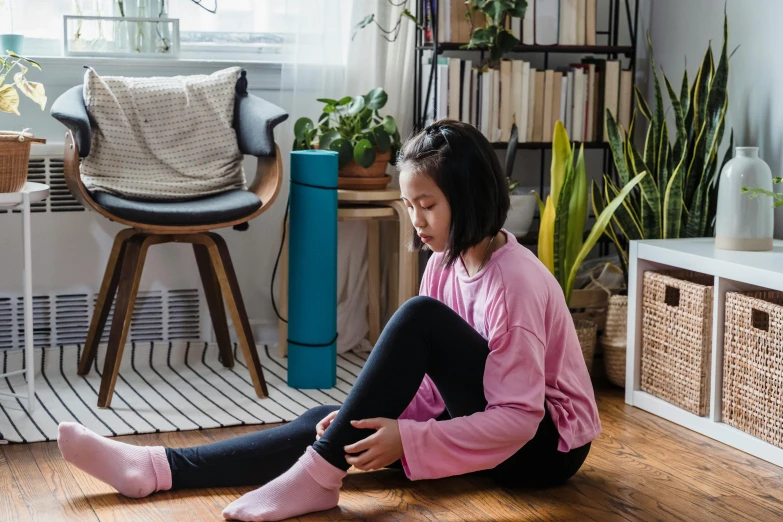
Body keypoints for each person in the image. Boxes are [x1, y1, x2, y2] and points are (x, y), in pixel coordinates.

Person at [57, 119, 601, 521]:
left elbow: (518, 420)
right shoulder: (444, 263)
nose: (417, 222)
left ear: (469, 197)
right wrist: (369, 420)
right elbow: (435, 384)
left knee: (417, 320)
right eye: (410, 206)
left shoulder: (518, 285)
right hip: (493, 423)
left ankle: (317, 478)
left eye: (428, 206)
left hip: (544, 451)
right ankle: (157, 467)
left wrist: (409, 440)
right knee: (330, 418)